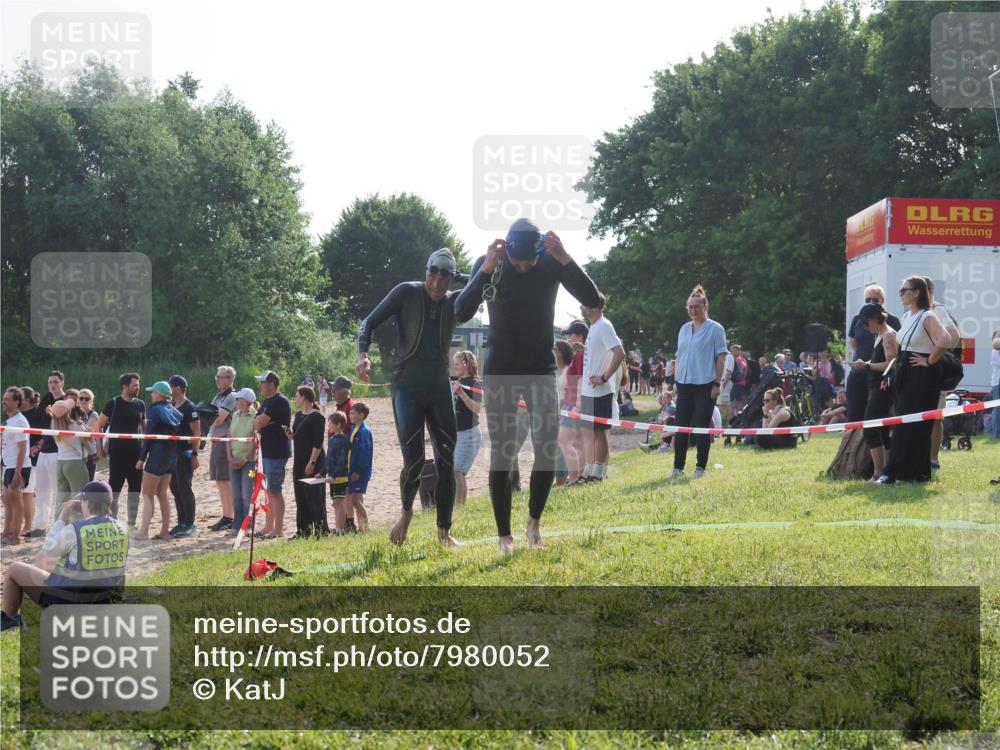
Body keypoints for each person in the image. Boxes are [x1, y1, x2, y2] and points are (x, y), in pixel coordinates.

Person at [455, 219, 602, 555]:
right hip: (501, 370)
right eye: (516, 261)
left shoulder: (551, 261)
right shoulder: (490, 263)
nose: (522, 267)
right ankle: (504, 535)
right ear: (506, 249)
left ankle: (534, 523)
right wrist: (485, 269)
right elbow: (461, 311)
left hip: (540, 368)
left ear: (539, 250)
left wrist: (565, 257)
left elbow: (592, 299)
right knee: (503, 454)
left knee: (547, 449)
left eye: (529, 262)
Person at [356, 248, 463, 547]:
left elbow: (483, 282)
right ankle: (406, 513)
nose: (436, 283)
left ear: (451, 278)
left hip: (438, 386)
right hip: (407, 388)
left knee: (446, 459)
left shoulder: (455, 301)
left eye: (444, 277)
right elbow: (368, 322)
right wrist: (363, 355)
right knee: (414, 462)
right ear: (426, 271)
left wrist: (464, 274)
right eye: (432, 274)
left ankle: (444, 532)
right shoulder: (406, 292)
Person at [1, 481, 128, 632]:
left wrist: (63, 516)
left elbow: (47, 550)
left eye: (82, 501)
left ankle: (10, 620)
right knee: (56, 569)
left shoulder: (76, 529)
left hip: (76, 604)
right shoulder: (122, 528)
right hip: (109, 600)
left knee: (14, 569)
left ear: (88, 503)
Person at [875, 276, 950, 484]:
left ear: (917, 293)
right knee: (904, 422)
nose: (900, 293)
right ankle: (913, 472)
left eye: (904, 290)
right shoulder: (907, 316)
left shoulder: (928, 315)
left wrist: (930, 360)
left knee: (912, 425)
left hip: (922, 376)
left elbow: (945, 339)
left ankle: (894, 472)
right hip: (905, 372)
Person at [668, 285, 728, 480]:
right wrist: (675, 381)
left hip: (705, 384)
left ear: (705, 306)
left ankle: (700, 467)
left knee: (701, 427)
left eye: (697, 307)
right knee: (681, 427)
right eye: (690, 307)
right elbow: (680, 356)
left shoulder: (715, 329)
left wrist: (717, 384)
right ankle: (678, 468)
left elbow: (721, 358)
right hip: (684, 384)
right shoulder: (684, 329)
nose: (693, 310)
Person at [579, 293, 626, 483]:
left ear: (594, 306)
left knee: (599, 431)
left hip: (600, 390)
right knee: (592, 432)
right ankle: (591, 470)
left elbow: (619, 352)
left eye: (583, 304)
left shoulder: (604, 325)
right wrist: (584, 349)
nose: (580, 307)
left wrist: (604, 377)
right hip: (589, 390)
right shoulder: (595, 326)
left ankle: (598, 473)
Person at [850, 303, 899, 480]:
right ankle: (885, 472)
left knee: (870, 429)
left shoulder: (888, 336)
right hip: (876, 386)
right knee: (882, 431)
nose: (865, 327)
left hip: (883, 389)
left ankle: (878, 473)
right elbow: (882, 360)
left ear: (876, 318)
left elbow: (891, 364)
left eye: (866, 323)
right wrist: (865, 363)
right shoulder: (880, 335)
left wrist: (867, 365)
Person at [96, 373, 145, 528]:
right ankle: (112, 521)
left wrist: (145, 451)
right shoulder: (114, 403)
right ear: (125, 386)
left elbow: (145, 429)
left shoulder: (140, 404)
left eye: (138, 385)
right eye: (135, 385)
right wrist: (100, 448)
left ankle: (131, 523)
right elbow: (98, 426)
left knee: (135, 490)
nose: (138, 388)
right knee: (114, 489)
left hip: (136, 454)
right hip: (117, 454)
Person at [923, 277, 961, 471]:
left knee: (936, 417)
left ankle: (933, 459)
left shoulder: (937, 309)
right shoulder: (918, 311)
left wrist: (935, 358)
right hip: (919, 373)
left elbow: (953, 335)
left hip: (934, 372)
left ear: (929, 291)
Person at [135, 381, 182, 541]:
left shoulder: (155, 410)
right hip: (171, 457)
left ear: (159, 394)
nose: (151, 394)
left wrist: (141, 458)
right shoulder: (174, 410)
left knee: (147, 494)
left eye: (153, 392)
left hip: (157, 456)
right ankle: (165, 532)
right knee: (162, 494)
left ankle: (143, 532)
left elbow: (148, 437)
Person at [25, 371, 66, 537]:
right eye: (50, 382)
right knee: (42, 491)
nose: (52, 385)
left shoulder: (66, 401)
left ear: (62, 383)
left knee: (58, 491)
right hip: (45, 451)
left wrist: (53, 414)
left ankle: (59, 526)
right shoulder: (47, 398)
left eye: (55, 382)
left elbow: (63, 426)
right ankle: (40, 527)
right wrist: (37, 444)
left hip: (59, 451)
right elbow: (39, 423)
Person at [253, 371, 291, 538]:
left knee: (275, 490)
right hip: (266, 451)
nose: (260, 385)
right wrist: (261, 421)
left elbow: (259, 422)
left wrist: (261, 421)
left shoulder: (279, 401)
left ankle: (279, 529)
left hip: (276, 451)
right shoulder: (267, 401)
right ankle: (268, 527)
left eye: (263, 382)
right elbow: (255, 423)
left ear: (272, 384)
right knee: (268, 491)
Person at [288, 385, 328, 539]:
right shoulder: (298, 415)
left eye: (297, 396)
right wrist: (290, 435)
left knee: (315, 497)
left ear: (304, 397)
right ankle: (303, 531)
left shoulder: (317, 417)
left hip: (313, 461)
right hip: (299, 460)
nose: (295, 398)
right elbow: (299, 436)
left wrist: (312, 463)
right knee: (301, 496)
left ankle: (320, 531)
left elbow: (318, 442)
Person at [167, 375, 200, 538]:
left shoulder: (190, 407)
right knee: (175, 488)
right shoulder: (173, 406)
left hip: (185, 453)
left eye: (171, 387)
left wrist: (194, 454)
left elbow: (197, 432)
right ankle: (181, 522)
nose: (169, 390)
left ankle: (190, 524)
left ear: (178, 388)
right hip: (173, 454)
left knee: (185, 487)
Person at [48, 390, 89, 518]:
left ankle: (59, 523)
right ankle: (78, 523)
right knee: (79, 495)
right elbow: (87, 439)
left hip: (61, 462)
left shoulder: (54, 426)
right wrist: (83, 424)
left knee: (61, 497)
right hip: (74, 462)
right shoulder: (75, 425)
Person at [206, 366, 237, 531]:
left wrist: (207, 416)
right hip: (216, 440)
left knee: (225, 479)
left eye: (221, 377)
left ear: (230, 379)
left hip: (225, 440)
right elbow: (209, 416)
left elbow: (218, 420)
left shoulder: (232, 396)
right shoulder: (217, 397)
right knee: (219, 480)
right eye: (216, 377)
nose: (217, 379)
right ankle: (226, 515)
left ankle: (230, 516)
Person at [452, 350, 483, 506]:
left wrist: (462, 394)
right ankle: (459, 505)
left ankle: (460, 506)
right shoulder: (458, 381)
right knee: (457, 472)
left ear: (466, 364)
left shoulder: (475, 383)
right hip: (458, 434)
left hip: (469, 434)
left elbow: (477, 408)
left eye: (457, 363)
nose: (454, 367)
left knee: (457, 471)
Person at [227, 388, 258, 534]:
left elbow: (255, 441)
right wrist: (229, 457)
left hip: (249, 462)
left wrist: (245, 459)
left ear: (245, 401)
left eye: (238, 399)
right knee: (236, 495)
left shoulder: (255, 416)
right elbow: (229, 437)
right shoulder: (235, 415)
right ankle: (236, 525)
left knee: (247, 495)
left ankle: (248, 525)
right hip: (234, 459)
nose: (235, 401)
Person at [2, 387, 30, 546]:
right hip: (9, 465)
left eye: (7, 399)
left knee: (16, 501)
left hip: (18, 466)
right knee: (7, 500)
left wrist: (17, 473)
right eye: (4, 399)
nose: (4, 402)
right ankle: (6, 533)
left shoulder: (20, 421)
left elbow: (22, 449)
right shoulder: (9, 420)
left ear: (17, 402)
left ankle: (15, 537)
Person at [330, 375, 357, 531]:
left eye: (335, 389)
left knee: (346, 491)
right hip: (339, 456)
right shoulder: (341, 407)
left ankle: (349, 522)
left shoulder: (349, 407)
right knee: (343, 492)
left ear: (344, 391)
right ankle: (348, 521)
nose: (332, 391)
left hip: (345, 457)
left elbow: (352, 435)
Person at [347, 402, 372, 531]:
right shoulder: (354, 428)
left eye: (352, 413)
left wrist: (358, 471)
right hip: (352, 469)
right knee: (358, 499)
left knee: (355, 500)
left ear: (361, 415)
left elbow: (365, 453)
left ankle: (365, 529)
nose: (349, 415)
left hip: (360, 471)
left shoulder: (363, 431)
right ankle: (362, 527)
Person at [18, 387, 40, 538]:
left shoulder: (37, 413)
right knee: (15, 494)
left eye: (19, 396)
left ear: (26, 399)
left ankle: (27, 527)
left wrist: (36, 447)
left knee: (27, 494)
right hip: (16, 459)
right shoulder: (16, 414)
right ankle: (16, 526)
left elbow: (46, 434)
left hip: (33, 459)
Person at [325, 411, 350, 533]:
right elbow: (328, 459)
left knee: (338, 502)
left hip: (340, 477)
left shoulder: (344, 440)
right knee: (335, 503)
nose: (329, 426)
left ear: (339, 424)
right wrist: (322, 472)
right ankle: (339, 528)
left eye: (330, 423)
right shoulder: (331, 439)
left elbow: (341, 461)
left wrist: (333, 475)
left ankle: (340, 529)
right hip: (332, 477)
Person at [76, 389, 100, 481]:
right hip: (76, 450)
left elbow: (86, 433)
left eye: (87, 399)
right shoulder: (74, 413)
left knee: (89, 480)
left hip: (90, 453)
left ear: (91, 400)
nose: (83, 401)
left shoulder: (93, 414)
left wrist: (80, 423)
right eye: (81, 398)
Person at [990, 328, 1000, 439]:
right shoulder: (995, 352)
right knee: (997, 408)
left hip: (997, 382)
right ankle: (996, 434)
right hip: (998, 382)